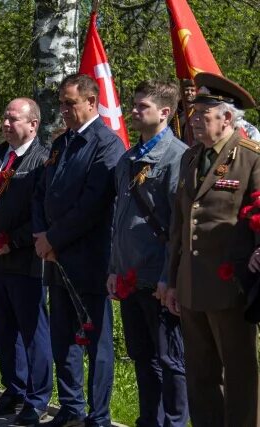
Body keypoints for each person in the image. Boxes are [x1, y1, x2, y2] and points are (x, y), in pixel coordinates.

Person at [166, 72, 260, 427]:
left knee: (239, 375)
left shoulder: (251, 158)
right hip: (191, 285)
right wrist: (171, 279)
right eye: (192, 115)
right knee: (200, 374)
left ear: (227, 118)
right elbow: (179, 225)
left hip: (231, 287)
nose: (193, 121)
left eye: (202, 116)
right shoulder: (190, 158)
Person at [32, 73, 125, 427]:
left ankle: (98, 416)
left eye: (70, 103)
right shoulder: (61, 143)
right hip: (55, 258)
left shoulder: (106, 144)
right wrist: (42, 234)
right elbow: (42, 191)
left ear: (91, 102)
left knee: (96, 340)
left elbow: (93, 203)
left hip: (88, 258)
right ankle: (71, 408)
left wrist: (53, 239)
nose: (64, 110)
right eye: (61, 103)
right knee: (63, 338)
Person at [107, 80, 188, 427]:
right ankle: (148, 421)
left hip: (157, 278)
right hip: (129, 276)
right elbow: (118, 220)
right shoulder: (127, 159)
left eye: (143, 107)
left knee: (170, 359)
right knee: (142, 357)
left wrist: (168, 278)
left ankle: (173, 421)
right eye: (135, 105)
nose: (134, 111)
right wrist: (114, 268)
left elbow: (177, 225)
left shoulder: (177, 157)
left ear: (165, 113)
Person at [0, 98, 52, 425]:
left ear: (32, 124)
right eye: (4, 118)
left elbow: (42, 212)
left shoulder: (42, 160)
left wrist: (12, 241)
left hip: (27, 261)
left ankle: (38, 397)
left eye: (13, 119)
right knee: (5, 331)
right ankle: (14, 390)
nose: (5, 124)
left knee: (33, 332)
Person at [170, 78, 196, 146]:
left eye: (192, 90)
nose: (190, 92)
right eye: (187, 90)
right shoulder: (175, 110)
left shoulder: (199, 111)